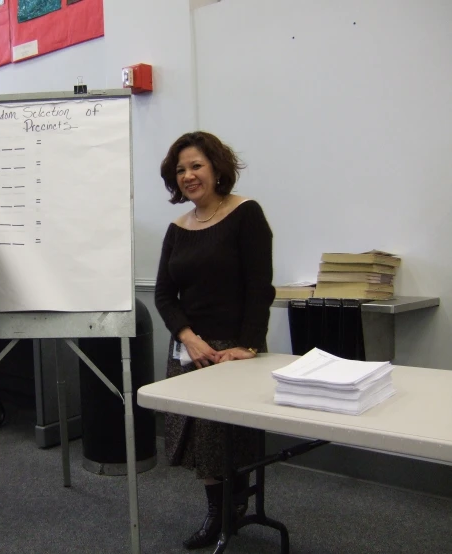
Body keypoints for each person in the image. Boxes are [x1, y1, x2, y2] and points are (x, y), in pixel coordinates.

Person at [154, 131, 275, 550]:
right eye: (180, 169)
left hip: (233, 350)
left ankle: (232, 505)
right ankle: (218, 510)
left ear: (216, 168)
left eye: (196, 166)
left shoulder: (246, 214)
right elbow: (164, 295)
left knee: (224, 438)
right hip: (192, 349)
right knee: (198, 442)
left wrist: (248, 347)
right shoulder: (177, 227)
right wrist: (188, 338)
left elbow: (261, 287)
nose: (188, 175)